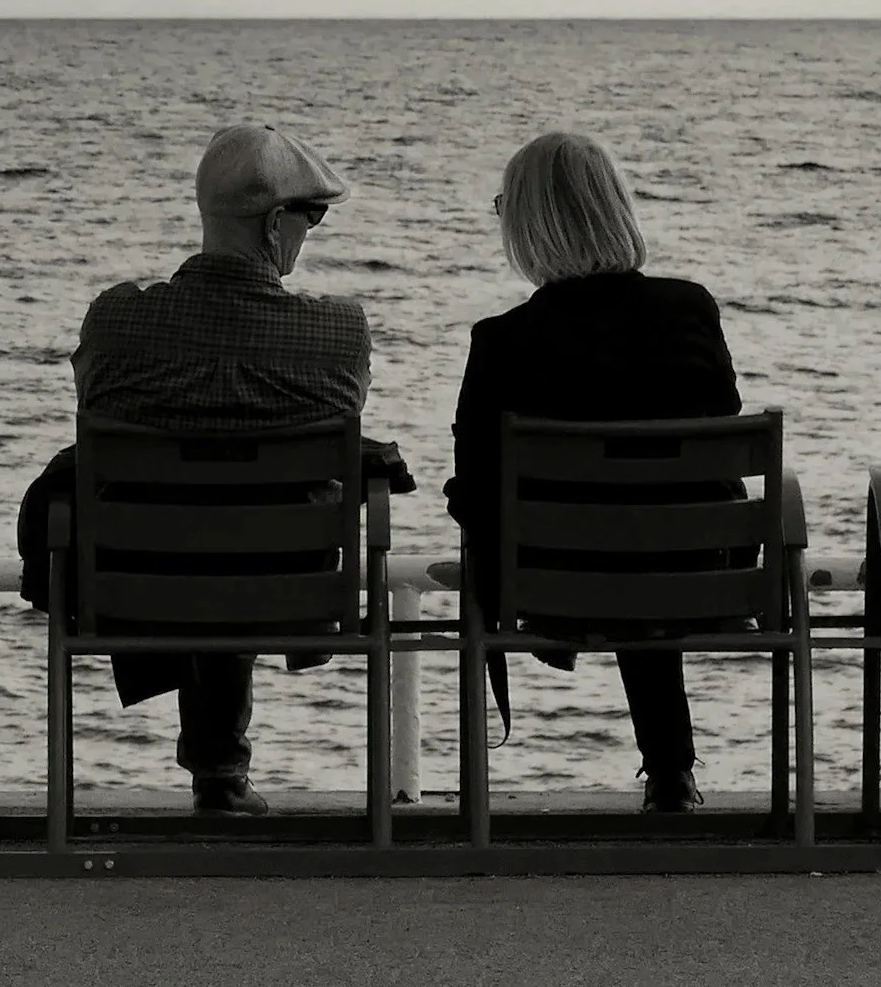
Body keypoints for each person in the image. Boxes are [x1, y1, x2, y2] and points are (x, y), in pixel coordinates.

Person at [46, 122, 377, 818]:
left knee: (197, 513)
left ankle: (218, 769)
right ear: (277, 223)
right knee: (242, 518)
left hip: (138, 586)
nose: (311, 233)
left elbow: (99, 403)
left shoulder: (116, 321)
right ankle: (220, 771)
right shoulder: (338, 332)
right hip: (285, 587)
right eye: (311, 218)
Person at [445, 129, 739, 814]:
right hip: (700, 575)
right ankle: (672, 772)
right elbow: (720, 425)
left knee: (616, 530)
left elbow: (474, 482)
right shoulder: (689, 308)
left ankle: (668, 770)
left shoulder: (503, 340)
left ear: (527, 224)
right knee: (644, 522)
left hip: (553, 588)